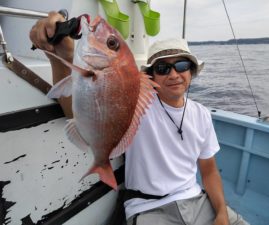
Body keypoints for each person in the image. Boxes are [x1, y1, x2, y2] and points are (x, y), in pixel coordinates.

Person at [30, 11, 249, 225]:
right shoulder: (137, 104)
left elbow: (209, 170)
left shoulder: (202, 114)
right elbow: (75, 109)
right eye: (163, 68)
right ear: (152, 75)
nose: (174, 74)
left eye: (182, 66)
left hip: (198, 201)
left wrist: (221, 212)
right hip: (149, 208)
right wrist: (61, 56)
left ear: (191, 71)